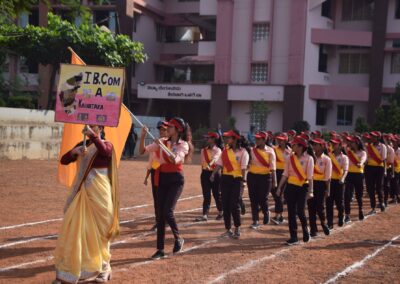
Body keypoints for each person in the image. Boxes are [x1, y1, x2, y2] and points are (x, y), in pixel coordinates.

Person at [53, 125, 119, 284]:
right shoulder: (82, 144)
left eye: (94, 125)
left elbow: (105, 152)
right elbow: (64, 160)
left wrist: (93, 136)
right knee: (77, 229)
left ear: (101, 128)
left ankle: (104, 268)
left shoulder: (107, 144)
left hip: (100, 193)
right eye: (88, 124)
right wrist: (74, 152)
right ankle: (73, 271)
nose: (88, 126)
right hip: (82, 192)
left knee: (101, 229)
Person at [139, 117, 192, 260]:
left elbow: (176, 159)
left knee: (168, 211)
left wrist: (163, 146)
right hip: (162, 178)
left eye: (170, 127)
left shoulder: (184, 145)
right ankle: (160, 249)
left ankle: (178, 238)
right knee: (161, 215)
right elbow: (142, 151)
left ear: (178, 130)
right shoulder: (162, 142)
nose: (167, 129)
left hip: (176, 179)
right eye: (167, 127)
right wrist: (144, 135)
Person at [211, 130, 249, 239]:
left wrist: (244, 181)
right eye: (226, 138)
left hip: (237, 180)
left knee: (234, 204)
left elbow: (244, 168)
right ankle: (228, 229)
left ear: (235, 139)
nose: (227, 140)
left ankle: (237, 227)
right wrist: (213, 174)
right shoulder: (225, 151)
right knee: (226, 204)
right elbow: (219, 164)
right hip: (225, 179)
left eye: (229, 138)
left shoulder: (243, 152)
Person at [276, 136, 314, 245]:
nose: (292, 146)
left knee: (300, 211)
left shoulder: (309, 158)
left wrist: (311, 191)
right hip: (290, 187)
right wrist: (279, 187)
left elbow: (310, 177)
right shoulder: (289, 158)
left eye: (294, 145)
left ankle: (305, 230)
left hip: (303, 187)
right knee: (291, 212)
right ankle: (294, 236)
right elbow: (285, 174)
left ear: (300, 147)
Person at [247, 131, 277, 229]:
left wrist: (274, 181)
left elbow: (273, 167)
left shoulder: (270, 151)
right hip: (252, 176)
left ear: (264, 140)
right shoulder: (252, 150)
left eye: (259, 139)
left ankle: (266, 211)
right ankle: (255, 221)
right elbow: (248, 163)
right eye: (256, 138)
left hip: (265, 177)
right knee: (253, 199)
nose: (256, 140)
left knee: (263, 198)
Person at [143, 121, 168, 231]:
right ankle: (159, 221)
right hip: (155, 172)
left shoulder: (170, 144)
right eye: (160, 129)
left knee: (166, 199)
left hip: (166, 174)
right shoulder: (155, 144)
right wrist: (146, 176)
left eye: (164, 129)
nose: (161, 131)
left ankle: (166, 220)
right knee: (157, 199)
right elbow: (150, 161)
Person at [195, 131, 223, 222]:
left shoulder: (218, 150)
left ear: (214, 139)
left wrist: (210, 166)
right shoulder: (203, 150)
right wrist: (204, 172)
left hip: (215, 174)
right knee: (206, 195)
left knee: (216, 194)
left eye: (209, 138)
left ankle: (221, 211)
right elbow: (202, 163)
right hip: (205, 174)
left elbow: (215, 159)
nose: (207, 139)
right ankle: (205, 215)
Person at [309, 138, 332, 237]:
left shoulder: (327, 159)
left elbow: (328, 177)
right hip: (311, 183)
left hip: (321, 185)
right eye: (313, 144)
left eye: (316, 144)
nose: (314, 146)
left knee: (320, 207)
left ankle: (323, 223)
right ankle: (313, 230)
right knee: (311, 208)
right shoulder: (310, 158)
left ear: (322, 146)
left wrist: (328, 190)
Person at [326, 138, 348, 229]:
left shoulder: (344, 157)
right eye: (332, 144)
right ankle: (329, 222)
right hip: (329, 181)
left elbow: (346, 170)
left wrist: (342, 178)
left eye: (335, 144)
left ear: (340, 145)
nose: (333, 145)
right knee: (329, 202)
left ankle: (341, 216)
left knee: (339, 202)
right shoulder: (328, 156)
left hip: (339, 182)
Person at [344, 135, 367, 223]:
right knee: (347, 195)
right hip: (349, 175)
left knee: (359, 195)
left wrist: (360, 163)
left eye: (352, 142)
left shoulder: (362, 152)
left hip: (359, 175)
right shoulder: (348, 151)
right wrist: (348, 142)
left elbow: (363, 159)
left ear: (357, 143)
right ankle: (347, 215)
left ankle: (360, 210)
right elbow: (345, 145)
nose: (351, 143)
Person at [365, 131, 387, 214]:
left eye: (374, 137)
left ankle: (381, 202)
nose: (372, 138)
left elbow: (384, 159)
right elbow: (366, 158)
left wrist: (385, 170)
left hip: (379, 168)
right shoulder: (368, 147)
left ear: (378, 138)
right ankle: (373, 207)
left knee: (379, 187)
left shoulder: (383, 146)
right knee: (370, 188)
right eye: (371, 137)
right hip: (369, 168)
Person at [271, 133, 291, 225]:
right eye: (278, 139)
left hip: (285, 174)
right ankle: (279, 214)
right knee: (274, 192)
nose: (279, 141)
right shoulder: (274, 149)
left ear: (286, 140)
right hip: (275, 172)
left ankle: (278, 216)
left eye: (281, 139)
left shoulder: (290, 151)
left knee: (279, 193)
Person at [383, 134, 395, 207]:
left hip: (388, 169)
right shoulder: (381, 147)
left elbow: (392, 162)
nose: (385, 141)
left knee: (386, 185)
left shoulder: (391, 149)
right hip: (380, 168)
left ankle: (385, 200)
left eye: (386, 140)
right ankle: (382, 200)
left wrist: (393, 172)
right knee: (380, 186)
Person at [391, 136, 400, 204]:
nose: (393, 143)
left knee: (396, 183)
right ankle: (394, 197)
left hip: (398, 169)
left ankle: (397, 197)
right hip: (391, 168)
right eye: (392, 141)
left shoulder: (399, 150)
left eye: (394, 141)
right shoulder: (391, 149)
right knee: (392, 183)